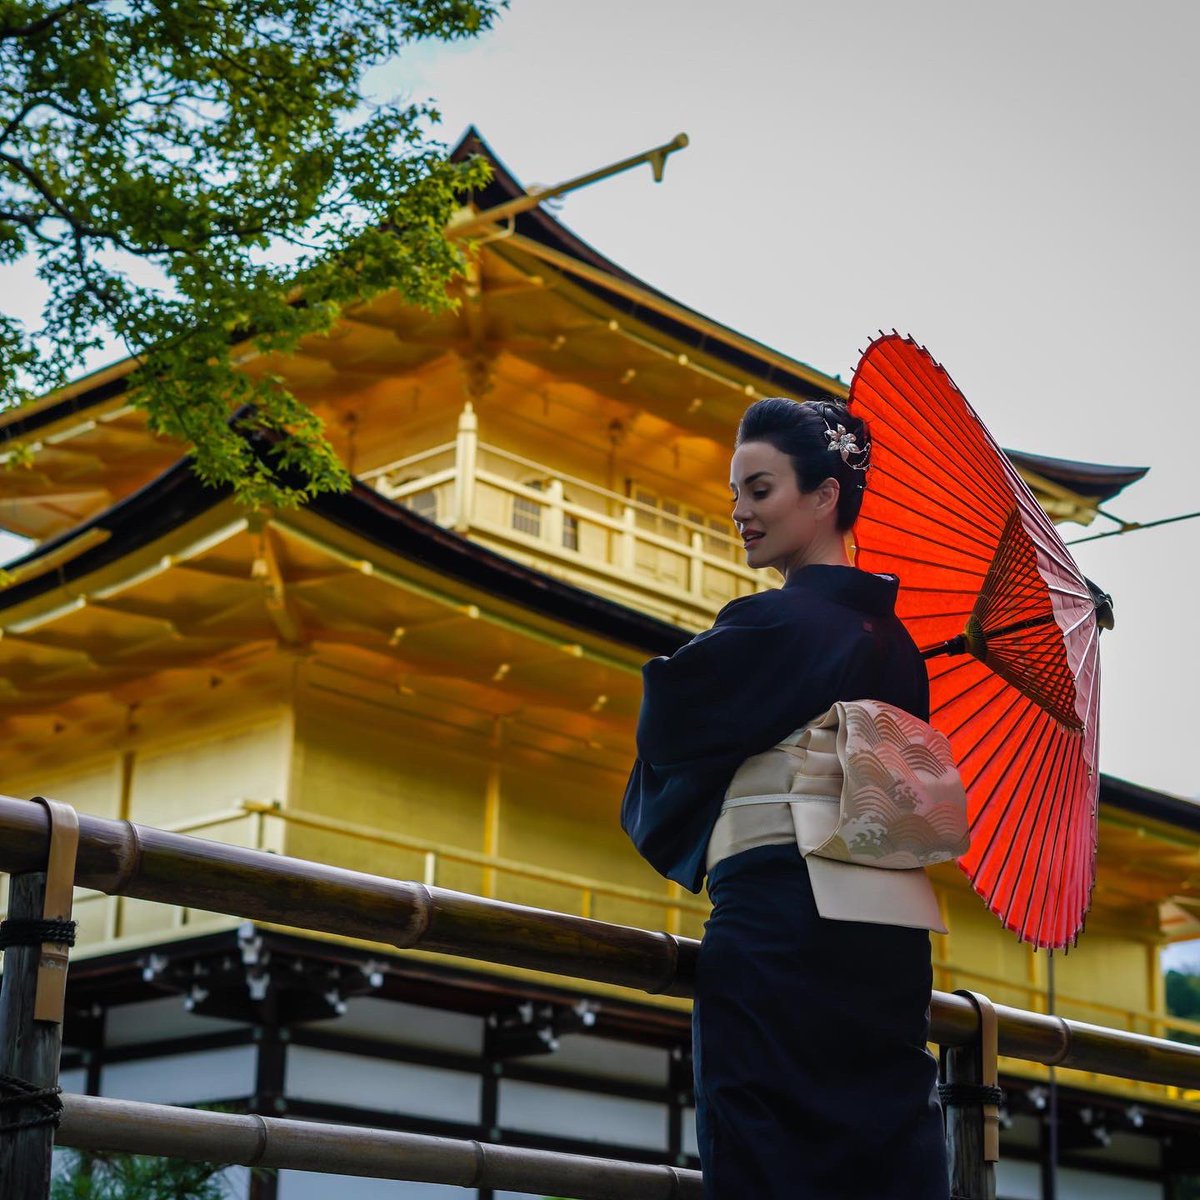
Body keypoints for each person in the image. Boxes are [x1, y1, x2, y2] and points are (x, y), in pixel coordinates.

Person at [621, 397, 951, 1199]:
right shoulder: (900, 649)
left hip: (780, 930)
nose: (741, 513)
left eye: (760, 490)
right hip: (887, 944)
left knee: (767, 1149)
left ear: (826, 494)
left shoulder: (778, 623)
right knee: (883, 1151)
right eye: (735, 494)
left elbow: (668, 720)